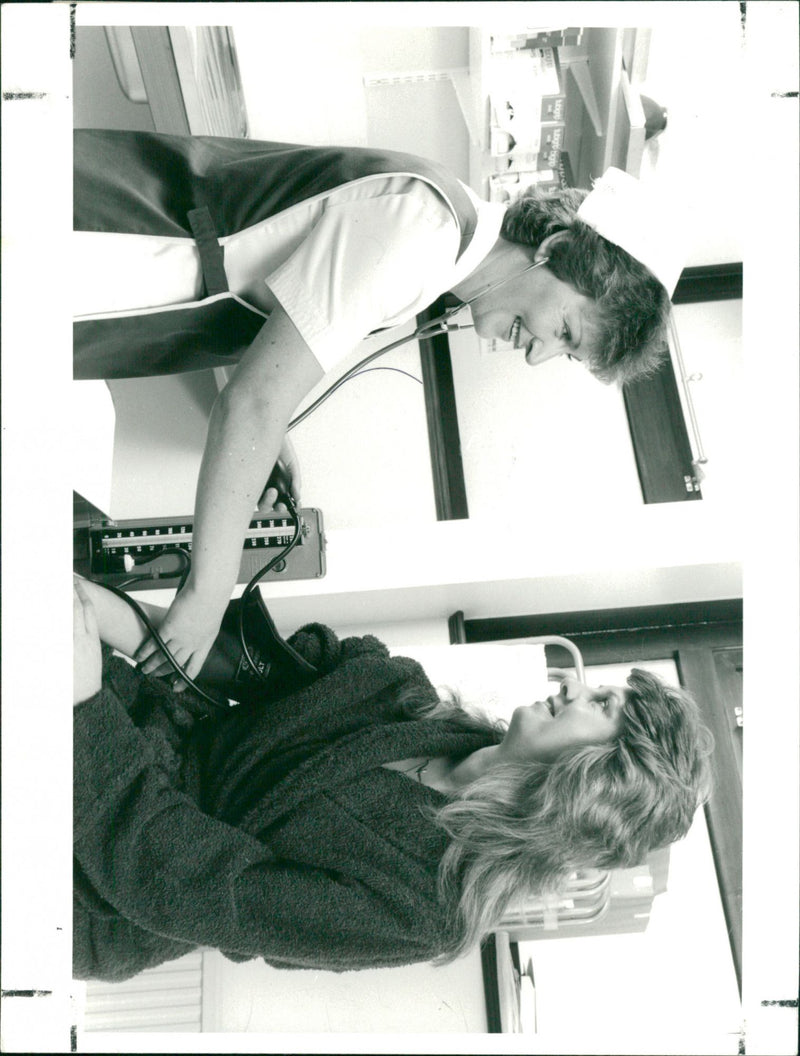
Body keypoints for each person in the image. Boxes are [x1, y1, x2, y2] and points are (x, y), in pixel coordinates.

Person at [74, 129, 686, 689]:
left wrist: (272, 440)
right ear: (555, 248)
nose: (537, 355)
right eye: (568, 332)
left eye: (565, 355)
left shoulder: (443, 242)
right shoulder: (423, 228)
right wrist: (206, 600)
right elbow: (253, 403)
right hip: (96, 239)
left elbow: (266, 354)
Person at [73, 574, 713, 982]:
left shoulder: (430, 904)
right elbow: (234, 663)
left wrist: (81, 706)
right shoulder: (407, 697)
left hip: (89, 874)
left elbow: (186, 886)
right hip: (119, 720)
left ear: (594, 780)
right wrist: (93, 611)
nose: (574, 686)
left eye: (600, 705)